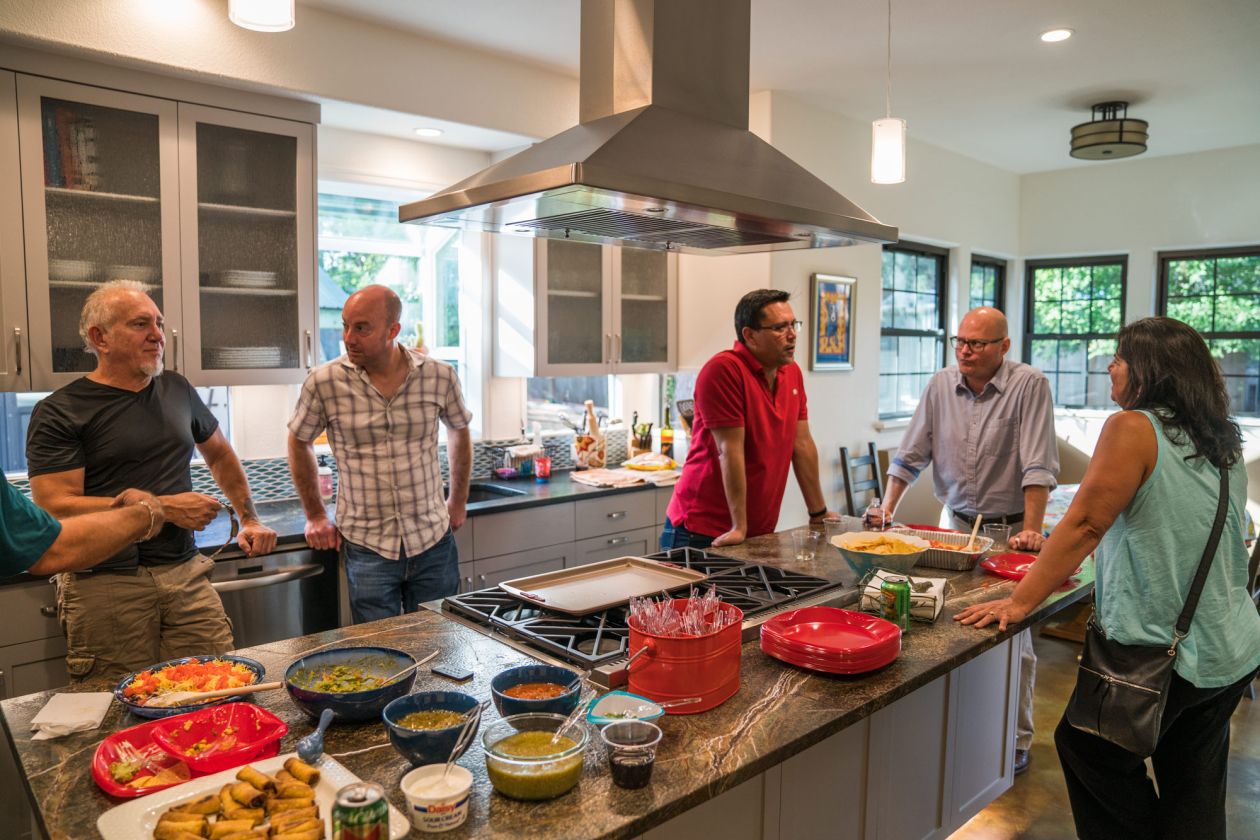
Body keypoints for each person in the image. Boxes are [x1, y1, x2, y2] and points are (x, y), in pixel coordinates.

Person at [955, 317, 1260, 840]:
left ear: (1148, 371)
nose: (1110, 369)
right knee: (1194, 785)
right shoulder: (1221, 439)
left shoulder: (1133, 427)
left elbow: (1085, 524)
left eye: (1118, 359)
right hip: (1231, 646)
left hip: (1166, 651)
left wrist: (1018, 603)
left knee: (1087, 748)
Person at [25, 280, 277, 683]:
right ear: (100, 338)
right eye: (141, 324)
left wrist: (249, 518)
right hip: (105, 583)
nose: (158, 335)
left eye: (158, 323)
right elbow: (55, 505)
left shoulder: (176, 388)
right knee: (119, 708)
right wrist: (166, 507)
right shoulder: (60, 411)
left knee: (216, 691)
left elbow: (220, 454)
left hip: (185, 572)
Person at [875, 306, 1058, 775]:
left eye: (976, 343)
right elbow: (910, 454)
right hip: (955, 525)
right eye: (959, 341)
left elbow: (1038, 464)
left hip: (1009, 531)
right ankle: (957, 729)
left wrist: (1032, 530)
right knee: (944, 627)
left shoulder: (1028, 384)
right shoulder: (941, 384)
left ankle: (1015, 740)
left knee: (1011, 633)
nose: (965, 351)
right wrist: (887, 508)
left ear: (1004, 347)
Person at [288, 284, 472, 623]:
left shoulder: (439, 376)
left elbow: (459, 429)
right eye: (345, 325)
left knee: (443, 644)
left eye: (361, 327)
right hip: (367, 545)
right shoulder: (324, 382)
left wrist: (458, 500)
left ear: (393, 330)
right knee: (380, 655)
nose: (348, 337)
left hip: (433, 539)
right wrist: (315, 514)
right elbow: (298, 440)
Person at [663, 288, 836, 549]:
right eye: (779, 327)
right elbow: (729, 450)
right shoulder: (723, 370)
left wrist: (818, 513)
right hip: (703, 531)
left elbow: (801, 444)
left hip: (757, 531)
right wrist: (739, 526)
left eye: (793, 325)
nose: (792, 335)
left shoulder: (791, 374)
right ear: (750, 335)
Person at [2, 481, 167, 575]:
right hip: (107, 577)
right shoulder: (59, 420)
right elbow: (49, 549)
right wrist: (145, 514)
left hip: (179, 565)